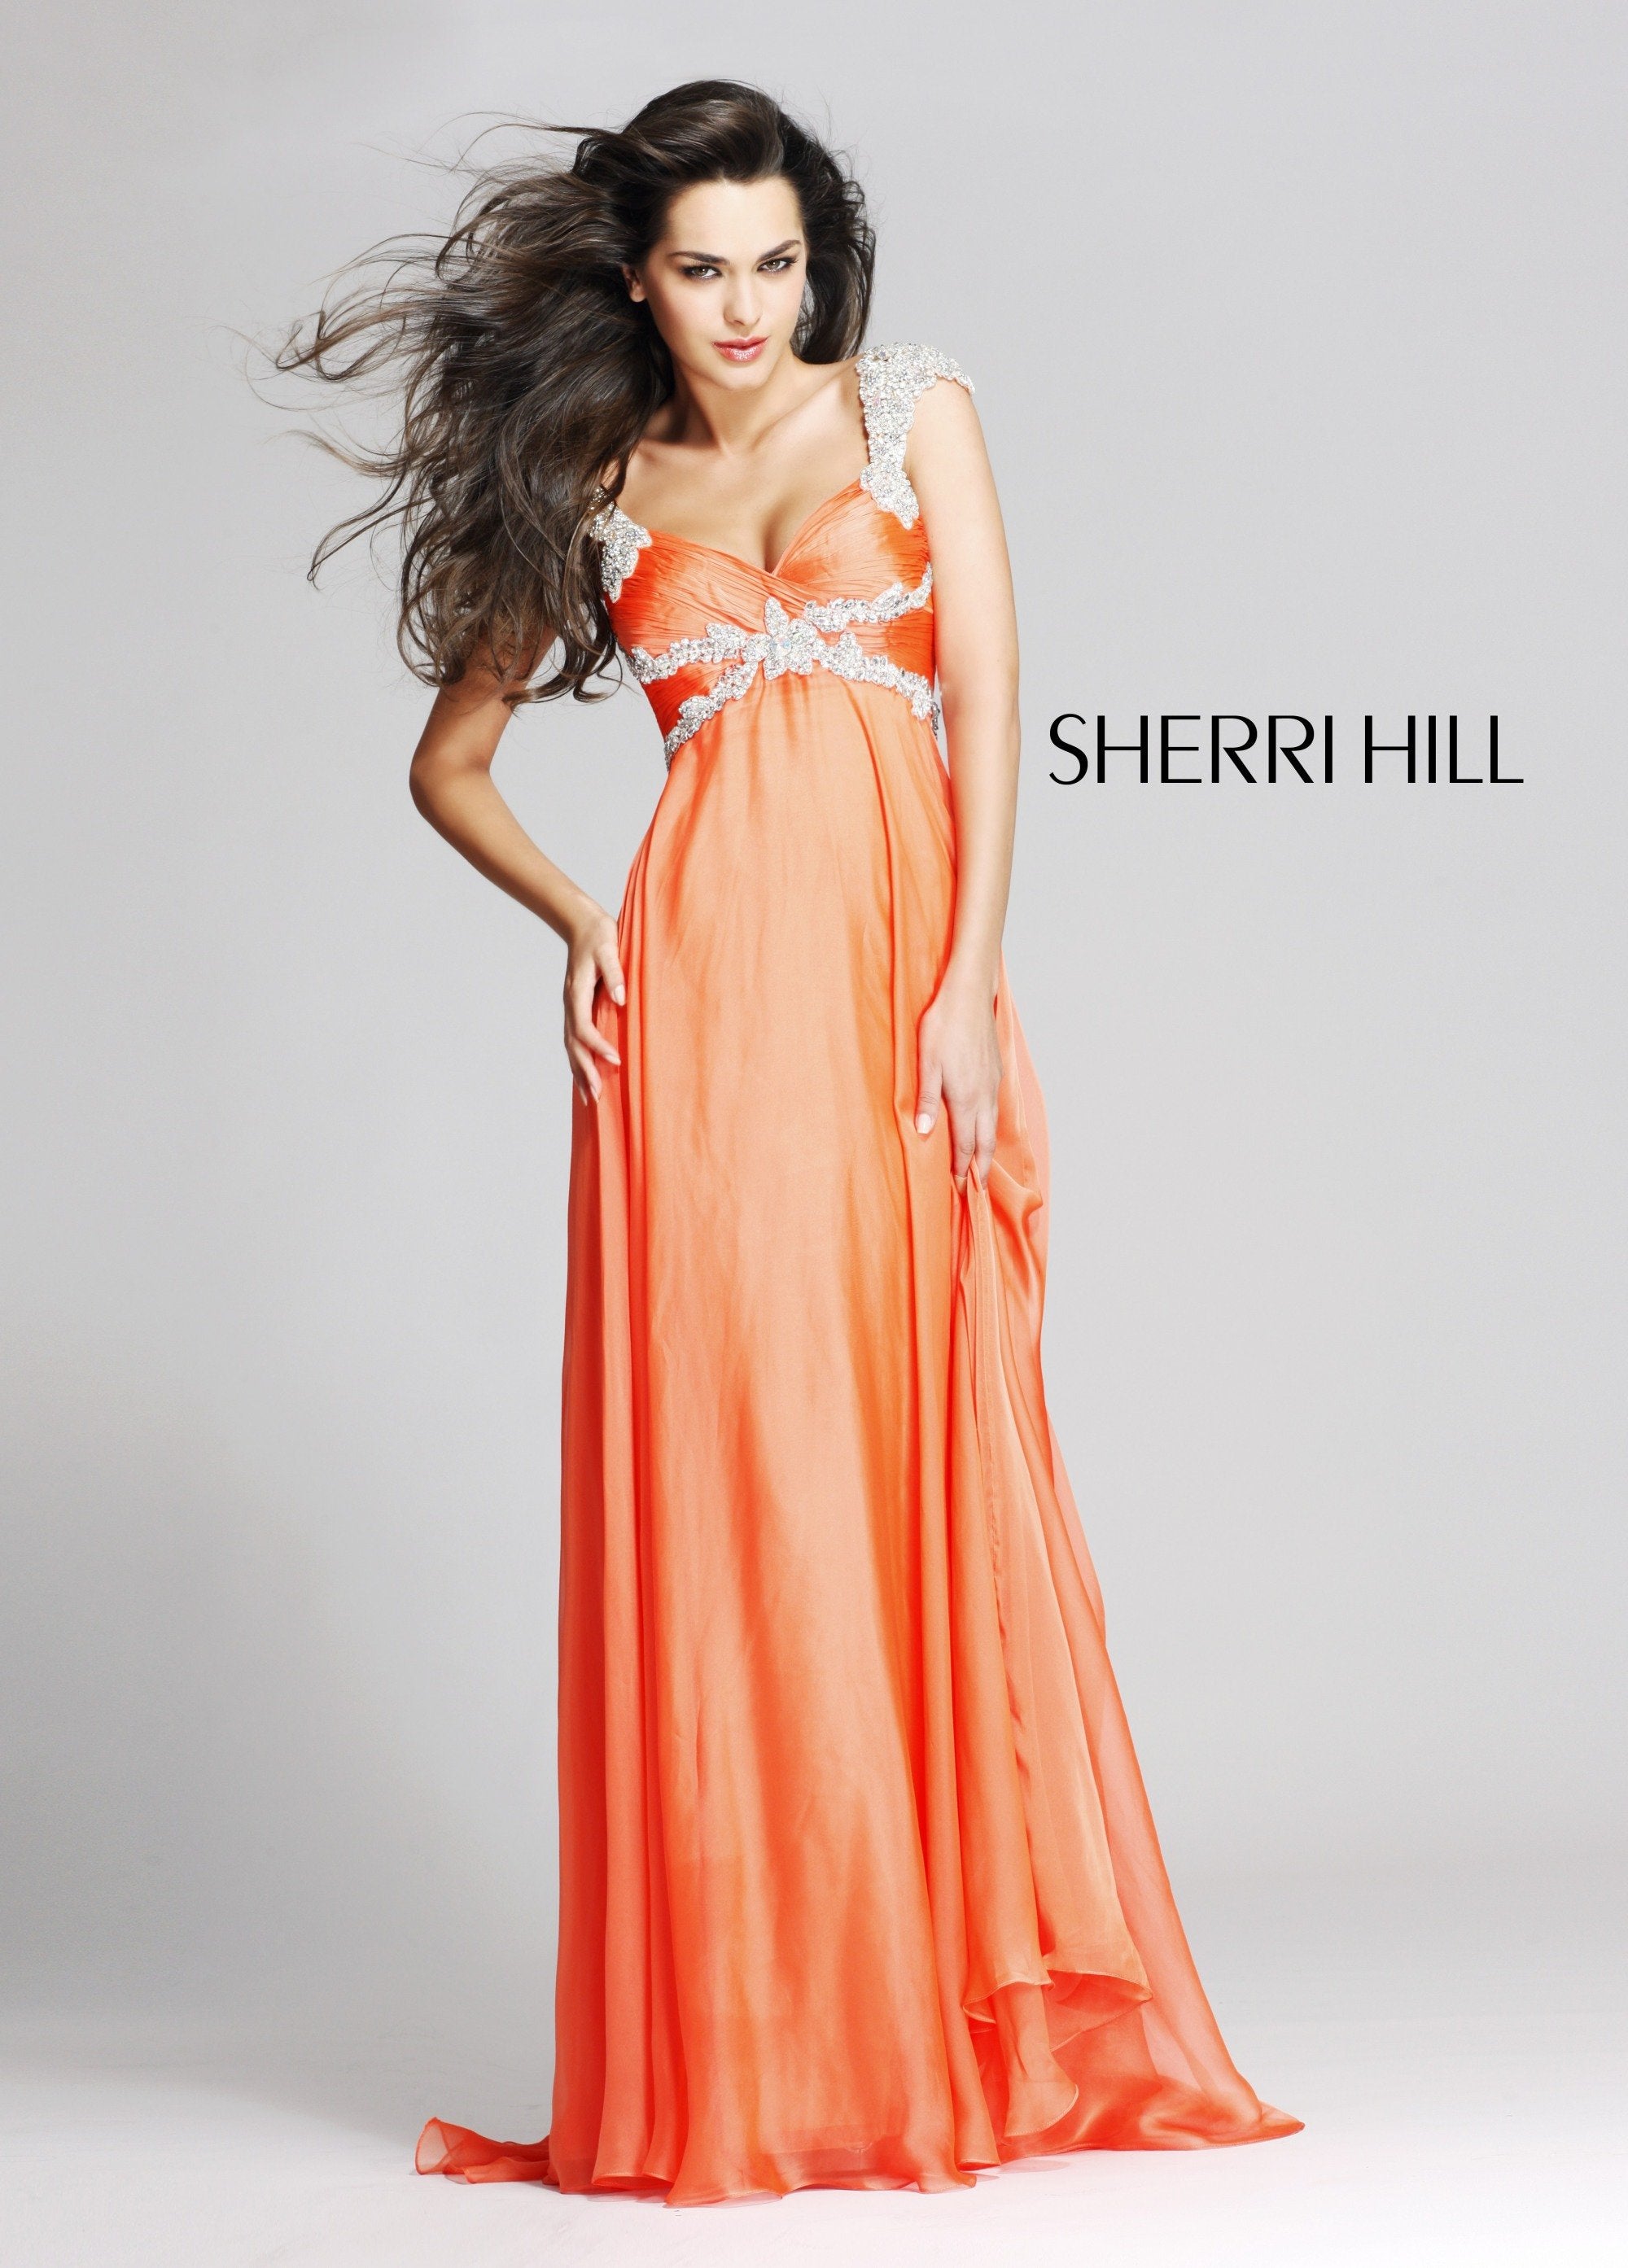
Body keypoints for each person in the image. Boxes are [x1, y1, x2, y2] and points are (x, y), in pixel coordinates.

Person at [278, 77, 1301, 2207]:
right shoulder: (602, 479)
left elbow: (986, 703)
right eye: (703, 269)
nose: (747, 308)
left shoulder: (914, 413)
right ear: (638, 279)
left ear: (815, 262)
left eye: (775, 263)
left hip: (898, 986)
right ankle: (762, 2043)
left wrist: (969, 983)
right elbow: (450, 764)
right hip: (698, 1025)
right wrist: (584, 919)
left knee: (908, 1448)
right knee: (741, 1480)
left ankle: (923, 2011)